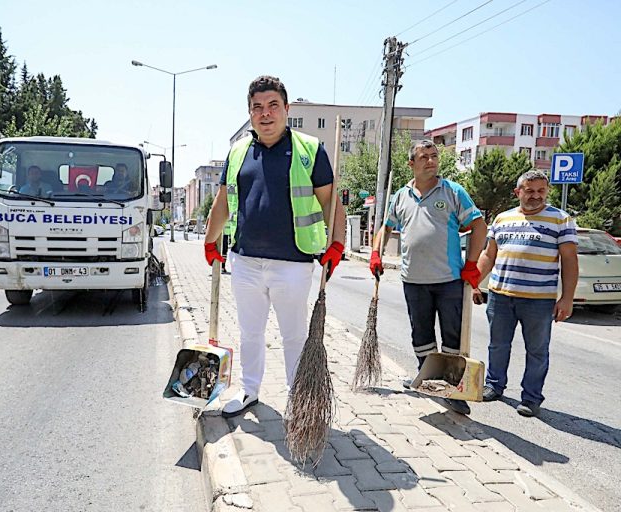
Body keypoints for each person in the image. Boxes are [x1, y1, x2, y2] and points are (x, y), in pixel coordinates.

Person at [203, 75, 346, 418]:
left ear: (286, 109)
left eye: (272, 106)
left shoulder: (310, 150)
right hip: (245, 261)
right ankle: (249, 389)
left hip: (292, 264)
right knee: (249, 332)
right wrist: (211, 241)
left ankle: (296, 397)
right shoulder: (238, 152)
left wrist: (337, 244)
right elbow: (223, 202)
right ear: (250, 113)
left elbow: (332, 204)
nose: (265, 114)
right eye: (257, 107)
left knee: (294, 335)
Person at [370, 139, 487, 415]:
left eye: (434, 156)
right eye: (424, 157)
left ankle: (453, 390)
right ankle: (427, 379)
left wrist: (471, 264)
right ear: (411, 163)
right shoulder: (400, 196)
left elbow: (479, 227)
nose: (432, 161)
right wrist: (376, 253)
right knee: (421, 335)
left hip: (448, 280)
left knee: (452, 337)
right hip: (414, 281)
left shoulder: (452, 192)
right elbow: (385, 229)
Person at [473, 169, 578, 417]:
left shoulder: (561, 220)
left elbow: (570, 260)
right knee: (498, 345)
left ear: (547, 192)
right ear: (518, 192)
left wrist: (567, 298)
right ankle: (494, 385)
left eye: (541, 191)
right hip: (500, 295)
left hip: (539, 300)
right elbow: (489, 255)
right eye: (529, 191)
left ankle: (531, 398)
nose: (536, 196)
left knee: (537, 350)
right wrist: (474, 282)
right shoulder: (502, 219)